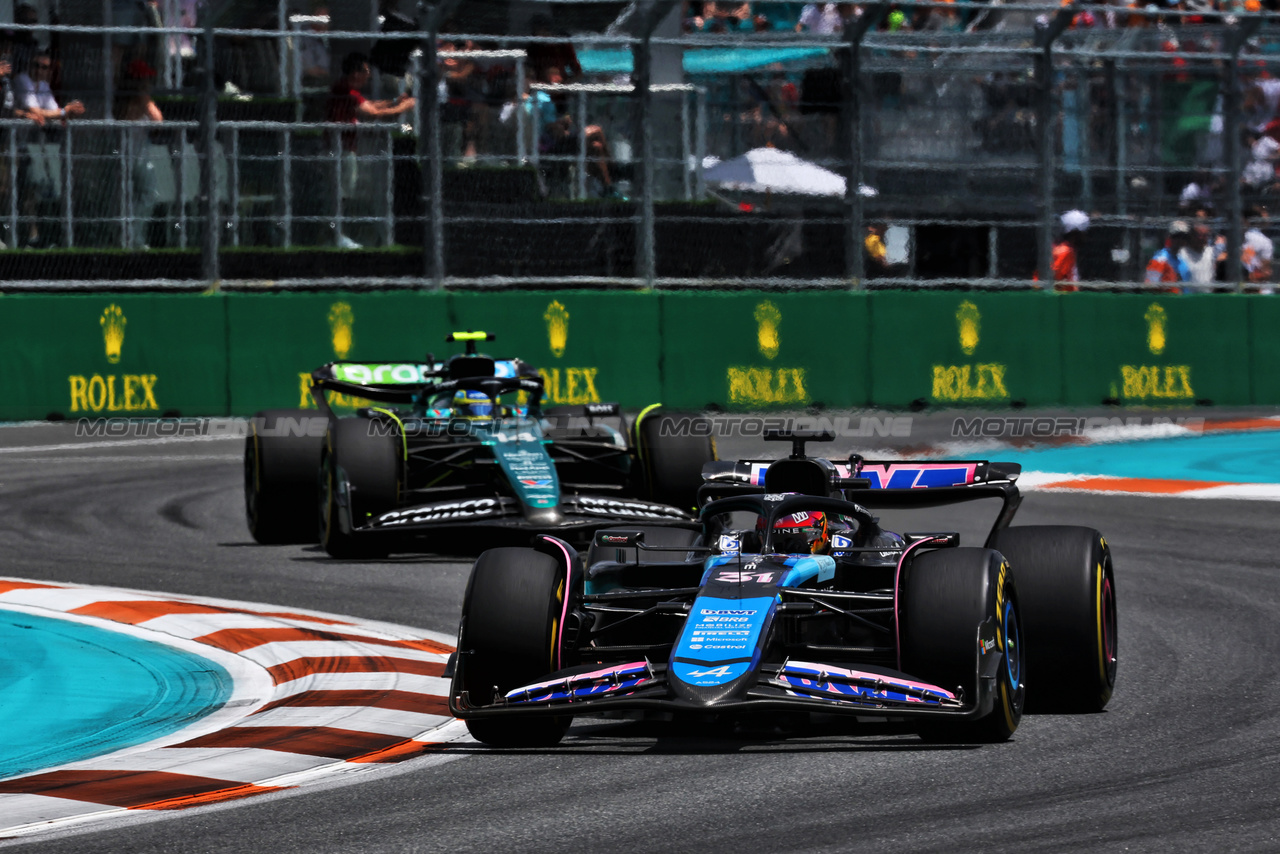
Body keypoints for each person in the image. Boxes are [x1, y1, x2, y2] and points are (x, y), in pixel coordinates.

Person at [326, 52, 416, 247]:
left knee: (345, 193)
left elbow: (371, 104)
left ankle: (338, 234)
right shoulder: (344, 90)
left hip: (346, 149)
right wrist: (403, 107)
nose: (368, 75)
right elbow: (374, 112)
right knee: (342, 194)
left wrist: (395, 102)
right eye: (365, 71)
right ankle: (336, 236)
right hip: (340, 151)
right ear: (356, 73)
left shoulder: (349, 91)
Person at [13, 50, 85, 247]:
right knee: (19, 190)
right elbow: (36, 111)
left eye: (44, 67)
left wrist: (68, 112)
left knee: (38, 189)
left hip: (36, 146)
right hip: (15, 145)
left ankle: (40, 236)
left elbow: (52, 112)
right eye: (36, 65)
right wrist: (63, 112)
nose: (39, 70)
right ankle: (25, 238)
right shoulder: (22, 80)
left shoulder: (43, 86)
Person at [114, 59, 164, 248]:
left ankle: (134, 238)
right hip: (127, 157)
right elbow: (157, 120)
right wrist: (145, 98)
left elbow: (157, 125)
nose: (148, 84)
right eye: (144, 80)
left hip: (135, 156)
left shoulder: (136, 100)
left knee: (143, 195)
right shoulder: (133, 100)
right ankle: (128, 239)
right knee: (135, 197)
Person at [1146, 220, 1193, 288]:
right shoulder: (1159, 259)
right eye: (1177, 236)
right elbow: (1150, 285)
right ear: (1170, 237)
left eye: (1183, 237)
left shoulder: (1183, 261)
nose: (1180, 240)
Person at [1051, 209, 1089, 288]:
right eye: (1084, 233)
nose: (1085, 236)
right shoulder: (1066, 252)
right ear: (1076, 232)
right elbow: (1057, 280)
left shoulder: (1061, 248)